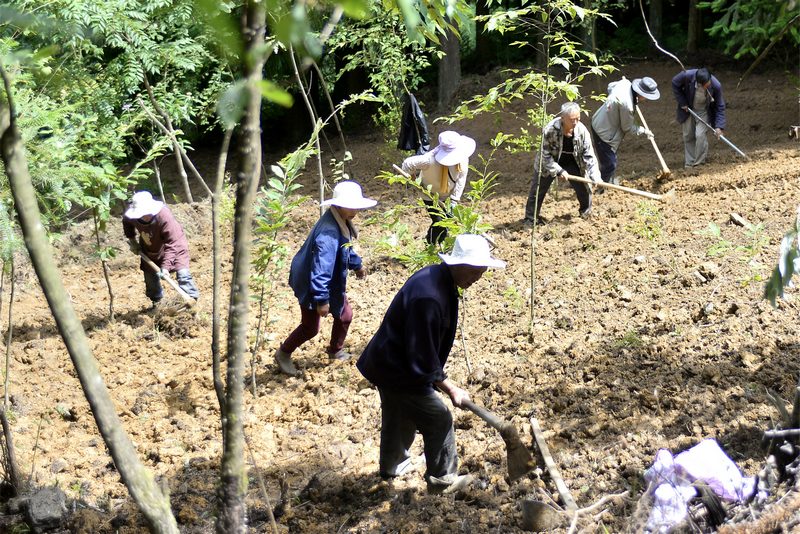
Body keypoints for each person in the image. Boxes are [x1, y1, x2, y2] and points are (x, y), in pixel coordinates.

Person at [356, 234, 505, 493]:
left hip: (389, 361)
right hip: (397, 368)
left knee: (399, 413)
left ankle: (392, 466)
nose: (479, 276)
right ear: (458, 264)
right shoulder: (430, 296)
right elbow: (422, 354)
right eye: (475, 270)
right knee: (438, 418)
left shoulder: (438, 279)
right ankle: (443, 480)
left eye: (483, 271)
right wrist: (451, 388)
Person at [274, 181, 377, 377]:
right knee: (310, 327)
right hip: (312, 281)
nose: (355, 210)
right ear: (338, 205)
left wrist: (357, 264)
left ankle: (335, 349)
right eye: (351, 205)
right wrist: (321, 299)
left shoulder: (340, 220)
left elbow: (344, 248)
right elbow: (322, 266)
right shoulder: (329, 232)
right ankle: (284, 353)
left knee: (345, 314)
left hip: (325, 279)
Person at [524, 102, 602, 225]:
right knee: (538, 189)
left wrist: (595, 175)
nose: (575, 122)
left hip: (572, 161)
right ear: (562, 118)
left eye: (578, 118)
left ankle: (586, 213)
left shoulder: (582, 131)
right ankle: (530, 218)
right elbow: (545, 156)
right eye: (572, 120)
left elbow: (589, 156)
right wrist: (559, 171)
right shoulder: (550, 130)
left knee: (584, 187)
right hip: (550, 162)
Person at [123, 191, 200, 309]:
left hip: (175, 246)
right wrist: (132, 240)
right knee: (150, 277)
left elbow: (172, 244)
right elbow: (127, 222)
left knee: (183, 274)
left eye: (147, 213)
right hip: (150, 247)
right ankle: (157, 303)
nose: (144, 216)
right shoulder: (132, 216)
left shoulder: (164, 216)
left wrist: (165, 267)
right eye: (141, 214)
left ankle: (191, 300)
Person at [401, 131, 476, 245]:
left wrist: (454, 199)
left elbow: (461, 179)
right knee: (440, 223)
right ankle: (432, 246)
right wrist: (413, 179)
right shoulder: (429, 160)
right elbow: (408, 164)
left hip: (449, 195)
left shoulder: (463, 158)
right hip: (429, 195)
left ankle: (434, 245)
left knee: (448, 222)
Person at [591, 76, 660, 185]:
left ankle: (609, 182)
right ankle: (602, 188)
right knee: (609, 164)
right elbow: (627, 127)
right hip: (604, 132)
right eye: (647, 96)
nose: (646, 99)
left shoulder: (625, 83)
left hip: (600, 119)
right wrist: (644, 131)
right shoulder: (627, 105)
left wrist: (614, 105)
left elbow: (610, 86)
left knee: (610, 158)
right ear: (641, 94)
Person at [671, 67, 726, 168]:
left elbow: (720, 106)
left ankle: (699, 164)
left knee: (700, 135)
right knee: (688, 135)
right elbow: (675, 83)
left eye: (708, 83)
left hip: (704, 111)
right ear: (698, 82)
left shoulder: (716, 85)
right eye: (704, 85)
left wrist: (719, 126)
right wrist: (683, 102)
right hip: (689, 109)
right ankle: (689, 163)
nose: (707, 86)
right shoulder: (687, 76)